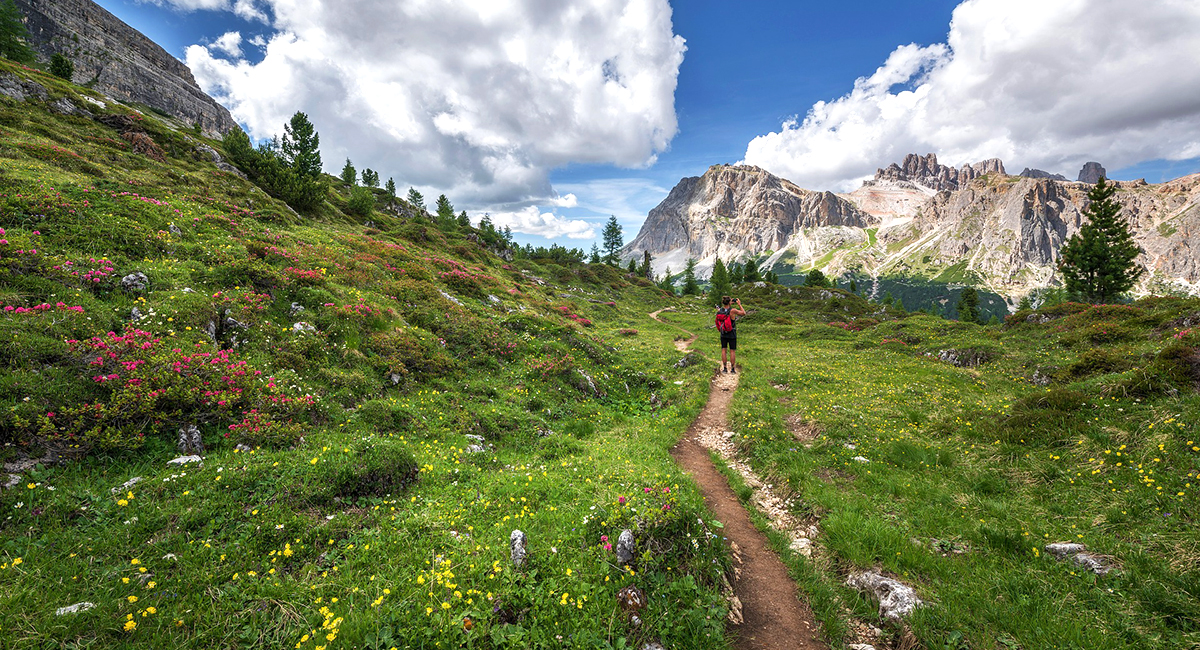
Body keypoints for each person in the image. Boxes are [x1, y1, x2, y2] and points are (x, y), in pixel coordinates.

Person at [715, 296, 745, 373]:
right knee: (732, 351)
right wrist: (739, 304)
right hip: (732, 333)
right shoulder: (732, 311)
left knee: (723, 350)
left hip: (723, 333)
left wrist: (729, 303)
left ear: (723, 302)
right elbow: (743, 313)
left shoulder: (719, 311)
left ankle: (724, 368)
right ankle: (732, 369)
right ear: (729, 302)